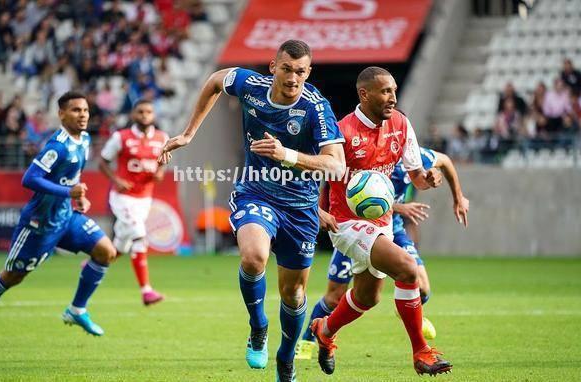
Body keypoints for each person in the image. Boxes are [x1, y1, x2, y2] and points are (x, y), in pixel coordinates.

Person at [159, 40, 345, 382]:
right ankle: (258, 325)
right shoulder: (252, 86)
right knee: (253, 257)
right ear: (273, 67)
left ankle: (286, 357)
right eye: (286, 69)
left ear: (309, 72)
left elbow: (336, 166)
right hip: (255, 192)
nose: (293, 78)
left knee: (294, 293)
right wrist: (188, 134)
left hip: (301, 208)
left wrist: (287, 155)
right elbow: (216, 80)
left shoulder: (316, 108)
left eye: (300, 72)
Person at [307, 67, 457, 376]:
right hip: (346, 224)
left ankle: (325, 330)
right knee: (407, 268)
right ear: (364, 94)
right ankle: (421, 353)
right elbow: (313, 174)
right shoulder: (341, 132)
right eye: (385, 91)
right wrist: (316, 211)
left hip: (382, 222)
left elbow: (417, 174)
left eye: (394, 91)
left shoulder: (401, 123)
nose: (393, 98)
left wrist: (429, 177)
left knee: (367, 297)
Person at [0, 91, 117, 348]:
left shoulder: (84, 139)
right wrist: (68, 192)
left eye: (85, 110)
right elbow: (29, 179)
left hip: (66, 216)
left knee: (106, 252)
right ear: (61, 114)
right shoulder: (57, 146)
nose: (83, 115)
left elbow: (69, 177)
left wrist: (77, 197)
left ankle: (77, 310)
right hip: (39, 224)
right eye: (76, 110)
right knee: (12, 276)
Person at [296, 147, 469, 359]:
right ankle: (306, 342)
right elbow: (339, 188)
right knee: (334, 297)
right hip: (356, 229)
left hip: (392, 229)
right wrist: (398, 207)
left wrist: (458, 196)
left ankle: (405, 309)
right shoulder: (366, 155)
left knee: (422, 288)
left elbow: (445, 161)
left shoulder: (414, 157)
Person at [99, 100, 167, 306]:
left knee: (121, 244)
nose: (145, 115)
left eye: (148, 111)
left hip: (144, 198)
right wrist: (116, 180)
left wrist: (160, 173)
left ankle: (94, 264)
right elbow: (103, 161)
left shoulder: (162, 138)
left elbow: (163, 161)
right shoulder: (121, 137)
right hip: (123, 198)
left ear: (153, 115)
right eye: (141, 112)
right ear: (133, 114)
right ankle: (146, 291)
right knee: (139, 237)